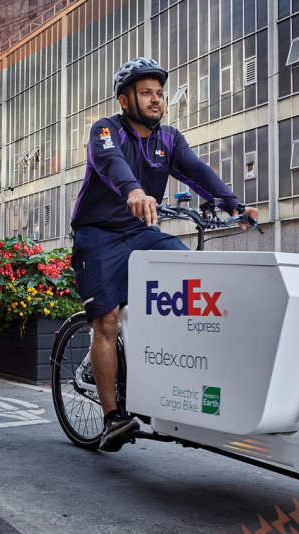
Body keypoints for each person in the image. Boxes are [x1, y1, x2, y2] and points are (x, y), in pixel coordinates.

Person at [70, 57, 258, 452]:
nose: (156, 100)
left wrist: (233, 206)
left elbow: (197, 171)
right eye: (146, 93)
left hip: (140, 232)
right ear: (125, 100)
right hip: (98, 235)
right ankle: (112, 418)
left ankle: (174, 385)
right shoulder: (106, 130)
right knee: (105, 322)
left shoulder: (169, 139)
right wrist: (134, 190)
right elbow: (110, 163)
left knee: (189, 275)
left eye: (160, 93)